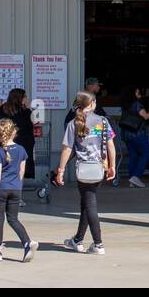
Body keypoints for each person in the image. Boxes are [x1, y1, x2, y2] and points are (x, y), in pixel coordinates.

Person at [54, 90, 116, 254]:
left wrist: (60, 170)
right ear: (93, 103)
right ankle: (78, 240)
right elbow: (111, 145)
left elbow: (67, 149)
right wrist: (112, 166)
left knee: (89, 204)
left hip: (83, 169)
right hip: (99, 168)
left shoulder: (73, 123)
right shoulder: (103, 121)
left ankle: (98, 244)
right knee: (86, 204)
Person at [0, 117, 37, 262]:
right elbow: (21, 172)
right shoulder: (21, 150)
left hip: (2, 189)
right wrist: (18, 187)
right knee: (13, 219)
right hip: (16, 189)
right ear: (13, 132)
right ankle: (27, 243)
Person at [120, 87, 149, 188]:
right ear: (132, 94)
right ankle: (136, 176)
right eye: (137, 92)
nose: (140, 94)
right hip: (137, 133)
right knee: (146, 153)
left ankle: (132, 179)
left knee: (133, 156)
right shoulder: (137, 104)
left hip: (126, 134)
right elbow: (145, 116)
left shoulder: (125, 105)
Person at [0, 88, 36, 180]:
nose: (26, 99)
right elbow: (30, 126)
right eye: (25, 96)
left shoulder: (0, 110)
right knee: (21, 166)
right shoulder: (24, 111)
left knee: (5, 165)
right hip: (22, 143)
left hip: (4, 142)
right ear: (19, 98)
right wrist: (29, 108)